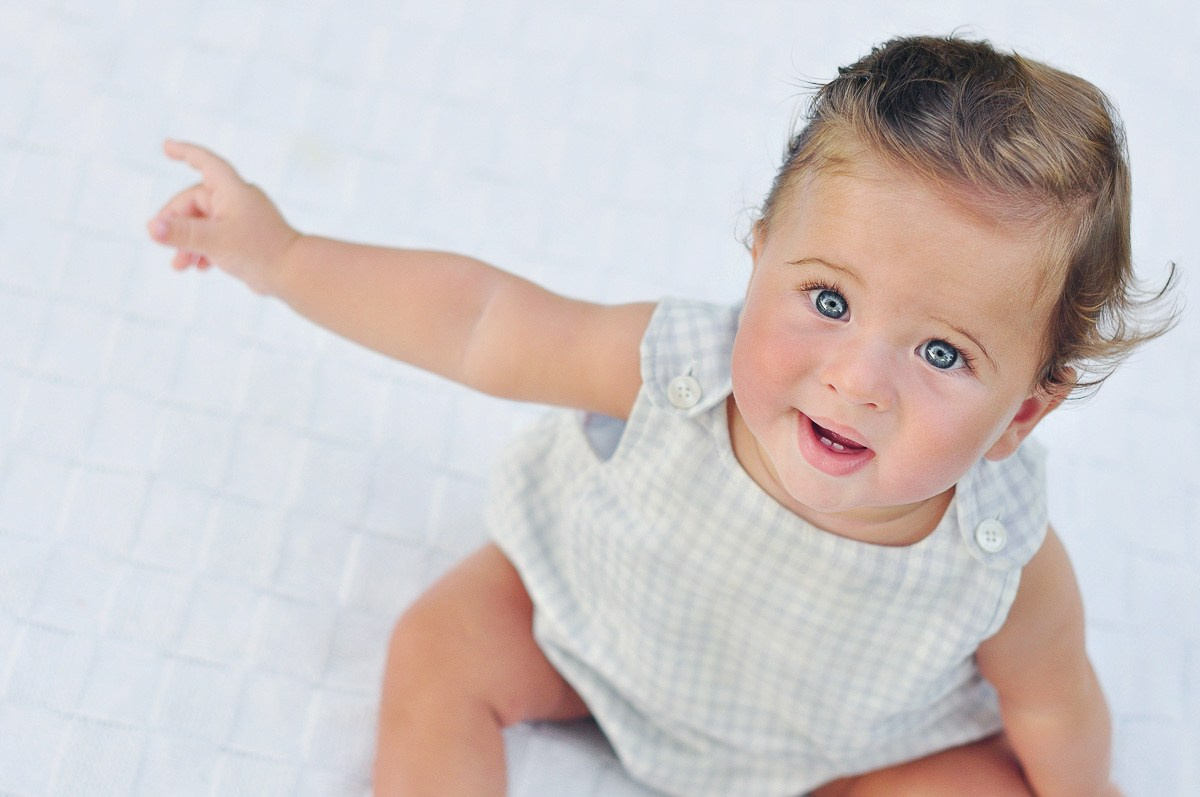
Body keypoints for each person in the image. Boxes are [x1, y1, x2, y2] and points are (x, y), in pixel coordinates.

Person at [148, 34, 1173, 797]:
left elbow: (1052, 701)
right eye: (826, 299)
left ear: (1019, 417)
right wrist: (281, 257)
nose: (859, 379)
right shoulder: (679, 372)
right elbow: (479, 323)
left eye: (943, 352)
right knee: (441, 645)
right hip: (589, 625)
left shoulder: (1003, 557)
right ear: (761, 253)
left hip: (829, 749)